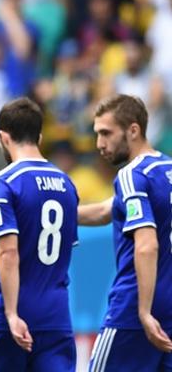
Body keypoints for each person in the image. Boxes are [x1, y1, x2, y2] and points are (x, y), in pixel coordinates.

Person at [0, 97, 79, 371]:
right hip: (56, 314)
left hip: (11, 313)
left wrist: (11, 313)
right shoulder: (67, 184)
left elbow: (8, 252)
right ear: (40, 136)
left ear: (3, 137)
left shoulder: (3, 182)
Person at [78, 94, 172, 371]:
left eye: (106, 133)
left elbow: (147, 246)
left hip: (134, 311)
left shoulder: (132, 175)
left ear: (133, 130)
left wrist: (143, 311)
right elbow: (108, 210)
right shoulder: (165, 170)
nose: (99, 144)